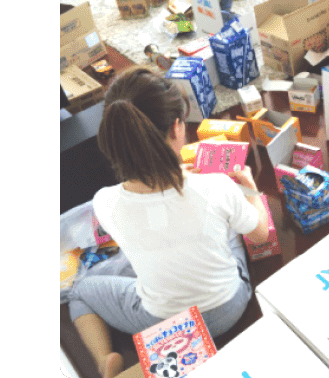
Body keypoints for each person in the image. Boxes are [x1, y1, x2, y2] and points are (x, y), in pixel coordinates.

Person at [68, 67, 265, 377]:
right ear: (177, 128)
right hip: (230, 307)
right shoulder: (215, 187)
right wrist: (249, 188)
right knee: (232, 228)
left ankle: (105, 357)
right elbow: (262, 235)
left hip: (162, 322)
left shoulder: (104, 202)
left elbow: (157, 213)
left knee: (80, 291)